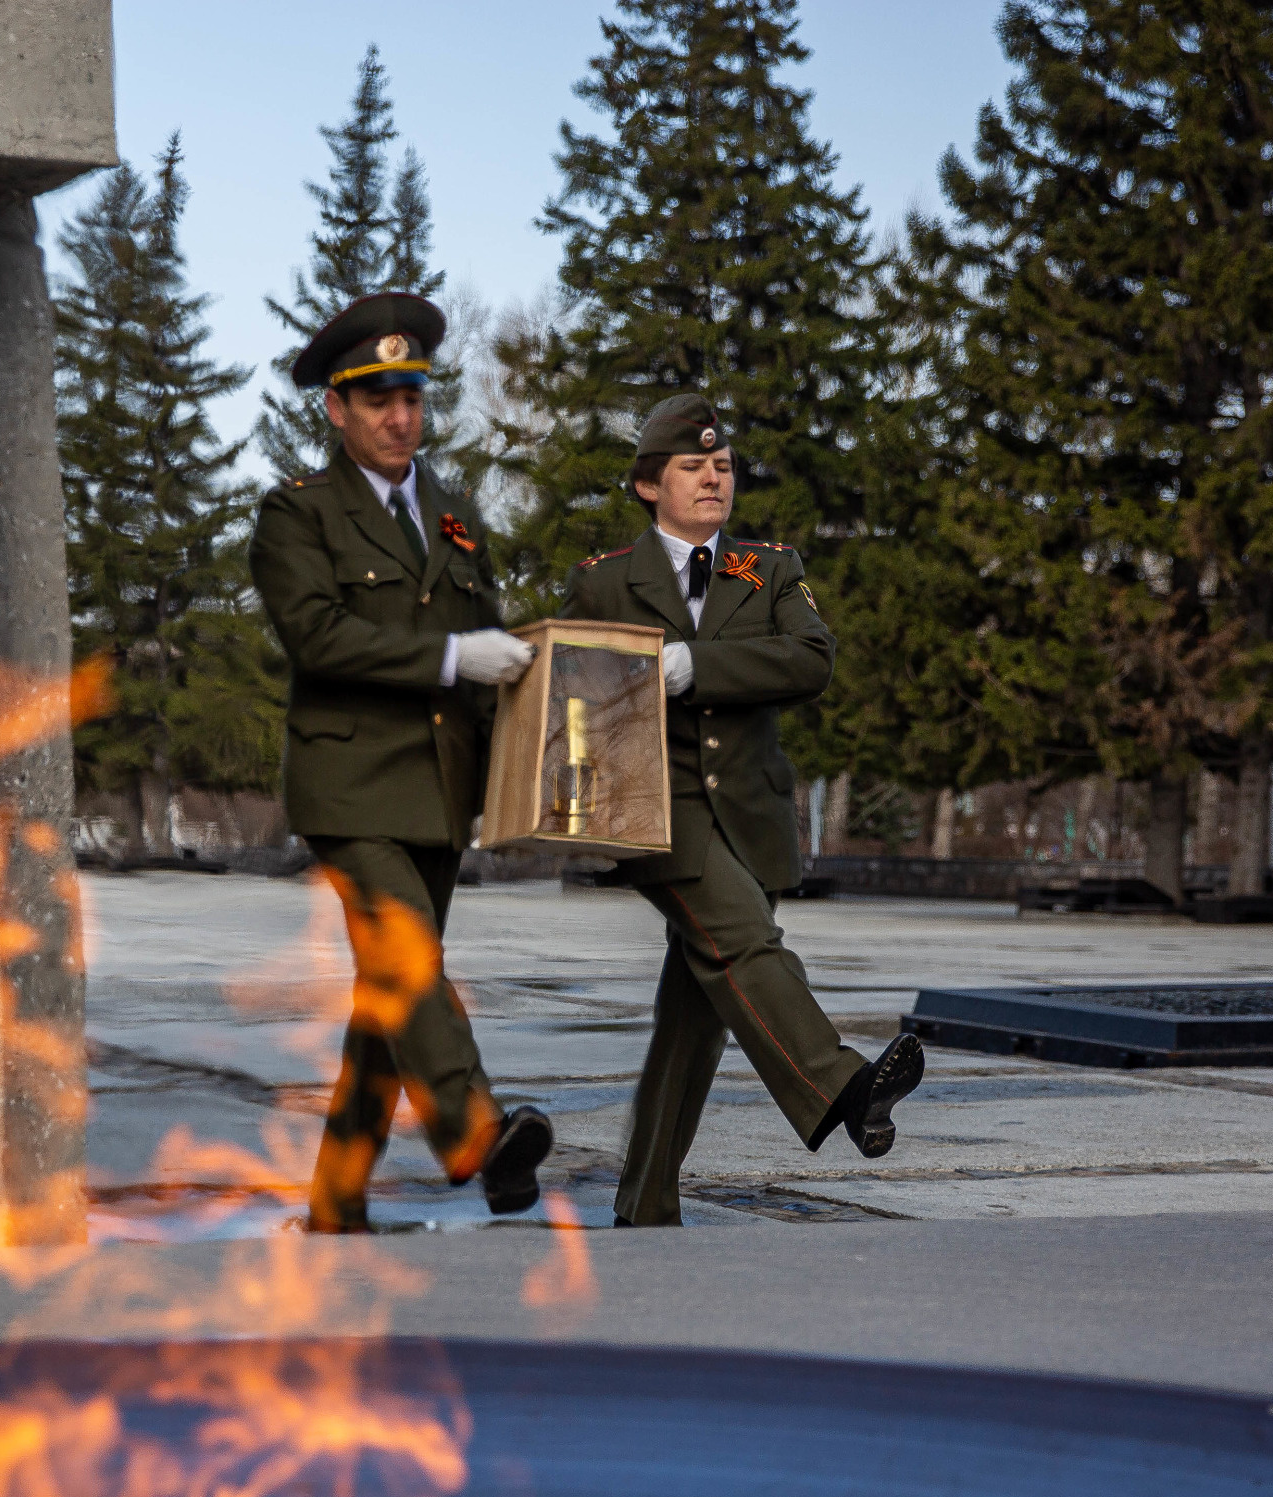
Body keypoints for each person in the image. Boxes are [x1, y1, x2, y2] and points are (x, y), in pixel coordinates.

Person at [557, 393, 925, 1226]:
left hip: (749, 816)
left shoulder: (769, 568)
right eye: (694, 466)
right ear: (649, 485)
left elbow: (809, 659)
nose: (714, 478)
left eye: (722, 466)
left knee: (695, 1022)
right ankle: (844, 1084)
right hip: (653, 810)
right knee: (748, 943)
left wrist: (695, 667)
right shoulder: (604, 581)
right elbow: (570, 692)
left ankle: (645, 1206)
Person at [248, 294, 554, 1231]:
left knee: (388, 1000)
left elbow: (489, 645)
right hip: (350, 788)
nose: (399, 417)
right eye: (376, 399)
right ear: (335, 410)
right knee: (410, 958)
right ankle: (472, 1131)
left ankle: (337, 1203)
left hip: (439, 790)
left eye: (412, 397)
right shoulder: (298, 516)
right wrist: (456, 657)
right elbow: (318, 637)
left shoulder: (455, 520)